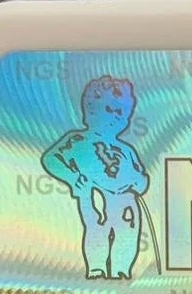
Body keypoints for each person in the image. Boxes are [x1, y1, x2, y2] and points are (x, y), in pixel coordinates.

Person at [41, 75, 149, 279]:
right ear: (90, 110)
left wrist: (138, 182)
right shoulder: (77, 140)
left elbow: (141, 178)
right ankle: (96, 269)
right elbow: (51, 159)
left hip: (124, 199)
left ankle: (121, 270)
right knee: (97, 229)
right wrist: (73, 178)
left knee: (128, 232)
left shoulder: (126, 150)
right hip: (93, 192)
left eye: (121, 113)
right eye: (109, 109)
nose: (115, 117)